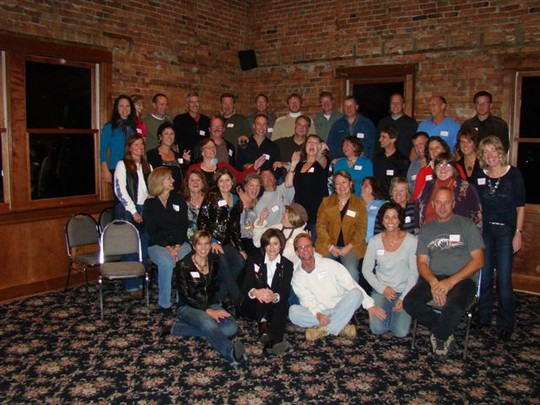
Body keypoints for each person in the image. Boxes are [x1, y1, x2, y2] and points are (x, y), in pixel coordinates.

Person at [403, 187, 485, 357]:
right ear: (433, 204)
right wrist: (434, 283)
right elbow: (421, 262)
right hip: (435, 278)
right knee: (410, 302)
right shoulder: (427, 229)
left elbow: (479, 261)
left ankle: (439, 334)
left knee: (453, 306)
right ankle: (444, 329)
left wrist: (449, 282)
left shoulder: (467, 225)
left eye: (446, 202)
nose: (442, 207)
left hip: (463, 280)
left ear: (453, 203)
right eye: (438, 202)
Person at [170, 230, 247, 367]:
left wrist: (216, 303)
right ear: (194, 246)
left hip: (211, 303)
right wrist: (208, 311)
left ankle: (178, 328)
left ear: (210, 245)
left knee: (231, 327)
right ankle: (231, 352)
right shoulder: (183, 265)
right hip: (188, 306)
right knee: (209, 323)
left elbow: (223, 281)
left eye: (206, 244)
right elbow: (186, 296)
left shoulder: (214, 260)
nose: (203, 248)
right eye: (199, 244)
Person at [289, 233, 386, 341]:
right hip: (321, 312)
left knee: (356, 293)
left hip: (339, 307)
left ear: (313, 248)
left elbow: (351, 284)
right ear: (297, 252)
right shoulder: (297, 277)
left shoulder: (331, 265)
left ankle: (326, 329)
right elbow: (307, 300)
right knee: (293, 312)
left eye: (308, 246)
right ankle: (341, 326)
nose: (305, 249)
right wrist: (318, 314)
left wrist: (370, 305)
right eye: (301, 247)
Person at [476, 136, 525, 341]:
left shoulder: (513, 174)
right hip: (486, 231)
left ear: (500, 152)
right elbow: (476, 205)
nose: (490, 155)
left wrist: (518, 233)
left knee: (504, 278)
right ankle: (484, 317)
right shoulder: (480, 175)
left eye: (493, 150)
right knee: (485, 276)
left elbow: (520, 207)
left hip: (506, 231)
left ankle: (506, 323)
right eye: (485, 152)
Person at [362, 202, 418, 337]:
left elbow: (414, 272)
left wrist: (404, 297)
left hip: (403, 291)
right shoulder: (375, 241)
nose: (390, 221)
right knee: (377, 329)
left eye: (394, 217)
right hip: (381, 290)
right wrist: (382, 289)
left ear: (400, 220)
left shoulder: (412, 241)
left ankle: (397, 313)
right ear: (382, 220)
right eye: (387, 217)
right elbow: (366, 270)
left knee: (400, 332)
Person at [144, 167, 190, 314]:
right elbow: (152, 231)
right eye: (169, 178)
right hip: (158, 244)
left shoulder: (179, 199)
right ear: (160, 181)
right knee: (166, 261)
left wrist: (176, 247)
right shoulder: (150, 204)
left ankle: (182, 299)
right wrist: (168, 248)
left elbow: (183, 226)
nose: (173, 180)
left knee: (186, 258)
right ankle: (164, 304)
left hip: (180, 243)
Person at [197, 168, 246, 306]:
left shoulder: (236, 200)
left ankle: (218, 295)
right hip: (211, 242)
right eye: (221, 181)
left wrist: (240, 248)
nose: (225, 184)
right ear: (217, 183)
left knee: (240, 262)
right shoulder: (211, 197)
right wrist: (211, 241)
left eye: (227, 180)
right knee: (223, 263)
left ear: (232, 182)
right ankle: (238, 298)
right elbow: (202, 221)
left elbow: (235, 228)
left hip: (226, 242)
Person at [241, 229, 294, 355]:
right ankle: (263, 325)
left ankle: (273, 343)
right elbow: (246, 285)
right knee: (263, 289)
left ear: (281, 245)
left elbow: (285, 289)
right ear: (264, 246)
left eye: (275, 244)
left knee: (282, 303)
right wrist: (255, 292)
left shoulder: (287, 264)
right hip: (254, 305)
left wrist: (274, 296)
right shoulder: (254, 260)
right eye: (268, 244)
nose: (271, 248)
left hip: (273, 306)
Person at [113, 134, 151, 296]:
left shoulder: (148, 166)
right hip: (129, 211)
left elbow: (152, 188)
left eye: (141, 144)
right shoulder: (122, 165)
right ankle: (132, 286)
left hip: (146, 209)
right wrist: (133, 211)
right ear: (129, 147)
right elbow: (120, 190)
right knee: (131, 249)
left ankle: (141, 281)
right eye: (136, 144)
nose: (139, 147)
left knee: (144, 248)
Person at [315, 170, 367, 283]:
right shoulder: (326, 202)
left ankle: (352, 294)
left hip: (351, 246)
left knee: (351, 271)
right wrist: (330, 247)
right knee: (321, 269)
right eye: (337, 183)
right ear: (334, 186)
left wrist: (348, 247)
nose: (341, 186)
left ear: (350, 183)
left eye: (344, 182)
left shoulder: (360, 204)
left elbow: (361, 230)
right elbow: (320, 226)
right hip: (328, 245)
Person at [416, 153, 482, 230]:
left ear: (453, 168)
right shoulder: (428, 186)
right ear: (435, 168)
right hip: (429, 231)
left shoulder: (466, 188)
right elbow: (417, 210)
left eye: (447, 165)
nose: (443, 169)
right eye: (439, 165)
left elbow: (476, 216)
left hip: (457, 233)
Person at [291, 134, 329, 240]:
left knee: (313, 245)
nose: (312, 145)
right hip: (300, 214)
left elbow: (320, 157)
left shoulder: (322, 162)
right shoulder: (299, 165)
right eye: (309, 142)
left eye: (316, 143)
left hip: (316, 215)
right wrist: (293, 164)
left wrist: (320, 152)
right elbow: (288, 184)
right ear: (305, 146)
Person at [188, 138, 264, 189]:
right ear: (202, 152)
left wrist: (255, 167)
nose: (212, 149)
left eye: (213, 147)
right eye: (208, 147)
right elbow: (188, 187)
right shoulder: (194, 169)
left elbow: (239, 178)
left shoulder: (222, 165)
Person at [253, 203, 308, 268]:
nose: (282, 213)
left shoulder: (302, 236)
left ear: (293, 216)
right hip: (268, 267)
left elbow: (289, 256)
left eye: (286, 211)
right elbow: (257, 242)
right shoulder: (278, 227)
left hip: (288, 271)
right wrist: (261, 221)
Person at [412, 136, 465, 201]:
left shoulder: (456, 167)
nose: (434, 151)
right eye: (431, 149)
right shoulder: (423, 172)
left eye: (437, 147)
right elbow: (416, 197)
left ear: (444, 149)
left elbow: (464, 188)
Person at [100, 95, 137, 188]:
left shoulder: (133, 128)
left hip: (132, 167)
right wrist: (105, 169)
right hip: (116, 166)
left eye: (127, 106)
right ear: (117, 108)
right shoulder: (109, 127)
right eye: (121, 106)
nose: (125, 109)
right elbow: (102, 149)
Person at [327, 95, 377, 160]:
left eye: (351, 106)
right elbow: (331, 145)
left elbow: (373, 145)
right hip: (343, 161)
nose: (349, 108)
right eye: (346, 106)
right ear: (343, 108)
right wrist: (343, 155)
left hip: (362, 161)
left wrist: (363, 156)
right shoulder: (337, 125)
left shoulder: (367, 124)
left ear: (356, 107)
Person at [146, 122, 190, 192]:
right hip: (159, 193)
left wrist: (186, 161)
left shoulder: (178, 156)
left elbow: (182, 175)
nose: (169, 137)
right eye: (166, 134)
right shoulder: (151, 155)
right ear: (160, 137)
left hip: (177, 193)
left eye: (172, 134)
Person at [377, 93, 418, 159]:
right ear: (390, 105)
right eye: (393, 103)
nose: (395, 105)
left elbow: (414, 146)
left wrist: (409, 162)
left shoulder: (411, 124)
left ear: (403, 105)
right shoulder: (382, 123)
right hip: (385, 161)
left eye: (398, 103)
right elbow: (377, 145)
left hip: (404, 162)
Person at [373, 125, 410, 199]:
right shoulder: (377, 158)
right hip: (378, 199)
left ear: (393, 139)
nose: (380, 139)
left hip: (395, 199)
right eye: (380, 136)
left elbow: (404, 184)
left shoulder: (402, 161)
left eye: (384, 137)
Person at [172, 91, 210, 157]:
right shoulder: (179, 120)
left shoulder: (206, 120)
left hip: (203, 157)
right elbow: (175, 141)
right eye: (192, 102)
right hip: (186, 157)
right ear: (187, 105)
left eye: (197, 101)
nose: (195, 104)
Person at [235, 173, 262, 256]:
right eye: (252, 185)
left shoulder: (257, 202)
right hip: (236, 239)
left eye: (257, 186)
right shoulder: (237, 199)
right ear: (246, 187)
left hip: (251, 239)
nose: (255, 189)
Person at [181, 169, 208, 242]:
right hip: (187, 240)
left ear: (203, 183)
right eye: (192, 180)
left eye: (198, 180)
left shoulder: (209, 199)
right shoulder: (181, 201)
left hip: (208, 240)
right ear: (187, 183)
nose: (195, 183)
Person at [360, 177, 386, 243]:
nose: (362, 187)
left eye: (366, 185)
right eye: (362, 185)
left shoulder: (383, 205)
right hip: (356, 244)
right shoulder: (356, 205)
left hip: (374, 243)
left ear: (374, 188)